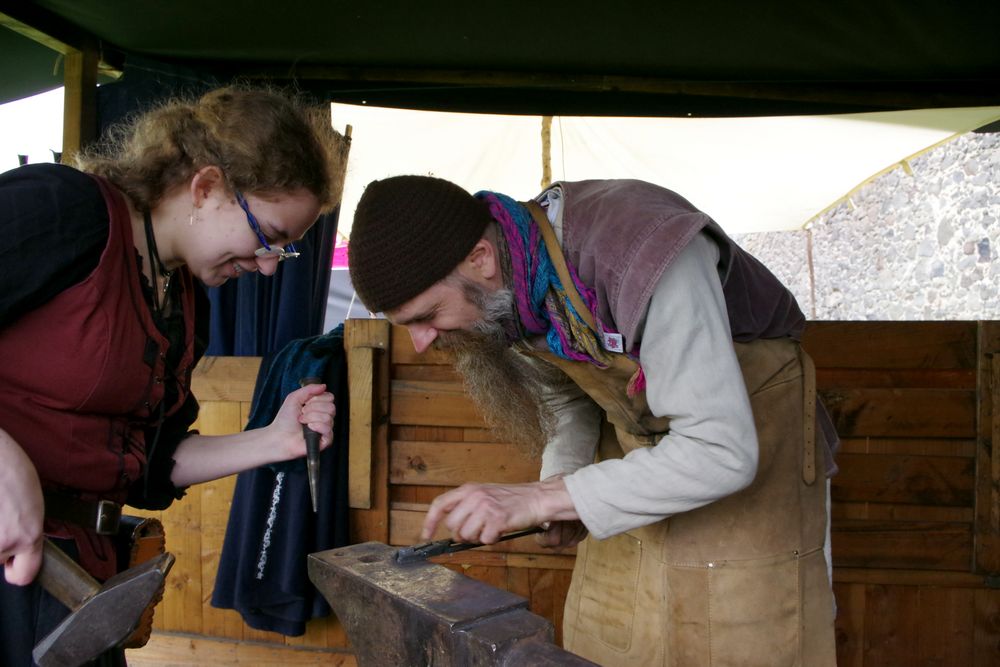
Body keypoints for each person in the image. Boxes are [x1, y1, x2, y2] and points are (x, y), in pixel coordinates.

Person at [347, 175, 839, 666]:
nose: (420, 342)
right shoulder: (511, 289)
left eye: (427, 315)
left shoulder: (640, 245)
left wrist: (542, 498)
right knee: (618, 640)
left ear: (480, 259)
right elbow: (568, 399)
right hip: (634, 477)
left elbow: (720, 450)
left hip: (745, 469)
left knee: (732, 644)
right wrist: (561, 490)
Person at [0, 86, 345, 666]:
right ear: (206, 187)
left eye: (283, 253)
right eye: (270, 238)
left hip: (78, 578)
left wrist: (273, 440)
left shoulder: (185, 299)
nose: (266, 266)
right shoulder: (63, 210)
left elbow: (150, 464)